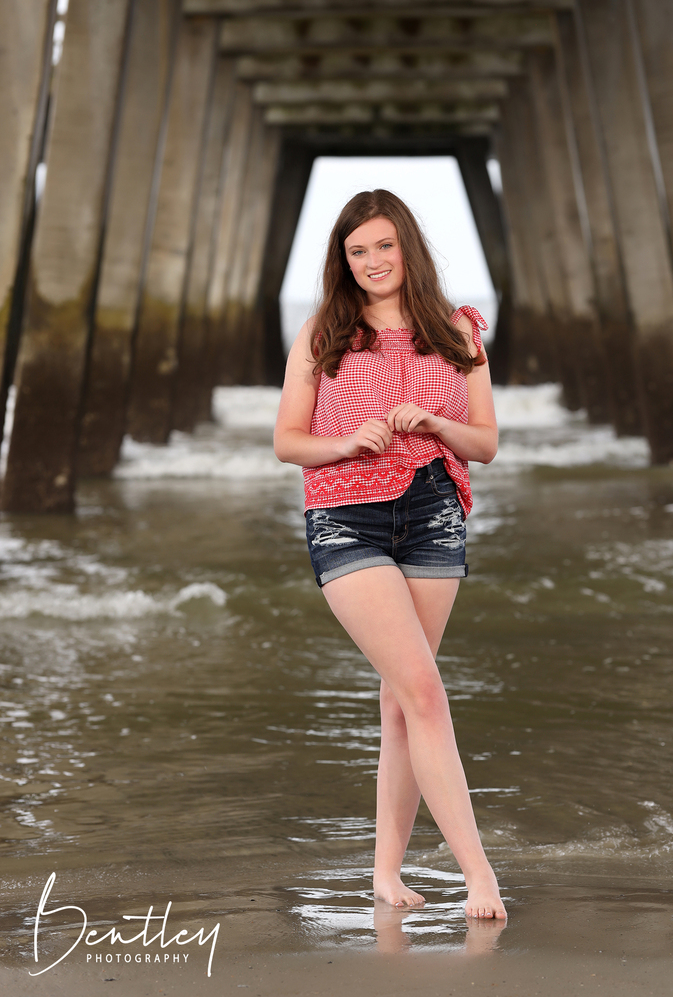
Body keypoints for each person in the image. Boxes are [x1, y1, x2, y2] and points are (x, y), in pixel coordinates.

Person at [274, 189, 506, 920]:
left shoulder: (458, 332)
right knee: (425, 692)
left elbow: (486, 445)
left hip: (433, 512)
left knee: (404, 704)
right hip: (346, 518)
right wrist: (347, 441)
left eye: (383, 246)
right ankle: (478, 875)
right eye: (356, 251)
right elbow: (287, 441)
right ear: (343, 262)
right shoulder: (322, 334)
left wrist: (435, 421)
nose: (372, 262)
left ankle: (385, 874)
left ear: (407, 247)